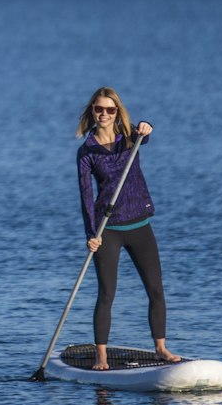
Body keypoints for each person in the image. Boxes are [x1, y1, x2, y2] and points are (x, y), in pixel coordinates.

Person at [77, 86, 180, 371]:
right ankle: (101, 356)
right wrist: (90, 234)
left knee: (156, 290)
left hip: (140, 225)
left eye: (110, 109)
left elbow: (145, 134)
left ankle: (160, 349)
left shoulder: (130, 138)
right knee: (107, 292)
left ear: (117, 112)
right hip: (107, 229)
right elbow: (86, 196)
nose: (104, 114)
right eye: (99, 109)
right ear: (92, 112)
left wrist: (147, 126)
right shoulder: (87, 152)